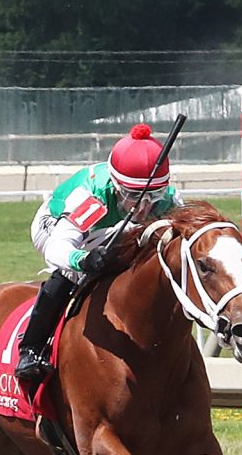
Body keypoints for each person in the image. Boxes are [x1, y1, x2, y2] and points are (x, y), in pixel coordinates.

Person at [15, 122, 178, 388]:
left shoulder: (167, 197)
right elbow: (59, 248)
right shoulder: (95, 198)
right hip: (59, 226)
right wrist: (83, 260)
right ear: (116, 185)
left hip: (107, 230)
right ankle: (31, 349)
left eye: (153, 196)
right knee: (74, 272)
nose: (145, 207)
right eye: (134, 196)